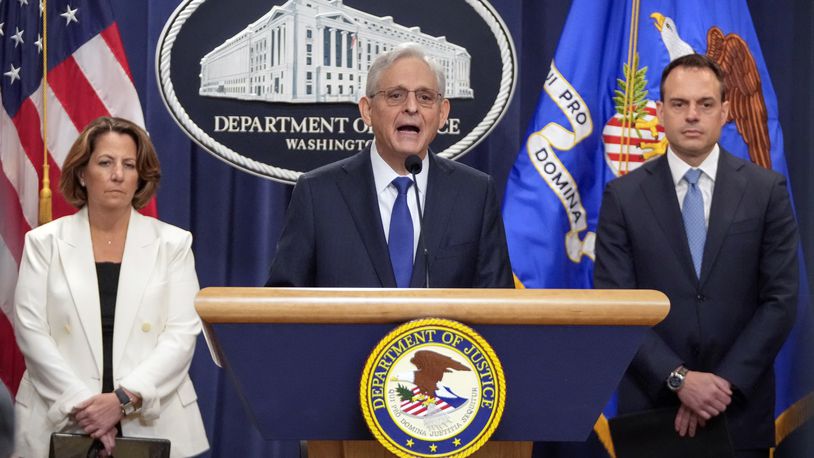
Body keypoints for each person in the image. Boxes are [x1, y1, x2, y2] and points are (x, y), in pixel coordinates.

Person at [594, 53, 798, 457]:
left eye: (705, 104)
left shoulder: (766, 191)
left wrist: (719, 386)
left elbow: (781, 300)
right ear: (659, 112)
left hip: (739, 411)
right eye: (679, 104)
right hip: (654, 414)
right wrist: (679, 380)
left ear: (724, 111)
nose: (692, 115)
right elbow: (616, 306)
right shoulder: (623, 197)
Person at [13, 117, 209, 457]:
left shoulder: (173, 244)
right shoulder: (44, 243)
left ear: (140, 177)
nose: (118, 174)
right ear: (82, 174)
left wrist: (122, 401)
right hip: (61, 420)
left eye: (129, 165)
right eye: (105, 162)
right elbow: (32, 332)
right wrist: (91, 412)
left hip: (151, 421)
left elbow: (180, 336)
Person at [266, 43, 513, 288]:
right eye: (396, 95)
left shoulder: (475, 194)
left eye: (425, 97)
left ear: (442, 113)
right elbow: (283, 306)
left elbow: (500, 310)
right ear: (367, 110)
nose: (412, 107)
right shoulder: (317, 194)